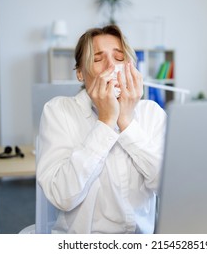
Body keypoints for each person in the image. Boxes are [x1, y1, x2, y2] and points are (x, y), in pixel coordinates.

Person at [37, 25, 167, 234]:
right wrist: (106, 122)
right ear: (80, 73)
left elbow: (168, 187)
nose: (111, 66)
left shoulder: (151, 113)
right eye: (98, 59)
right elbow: (62, 195)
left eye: (119, 58)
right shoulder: (58, 111)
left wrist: (126, 122)